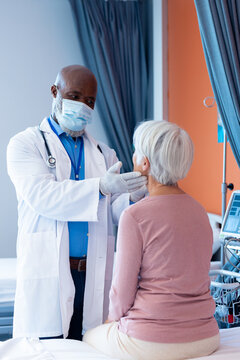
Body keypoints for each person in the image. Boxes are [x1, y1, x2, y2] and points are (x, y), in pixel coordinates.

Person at [6, 65, 147, 340]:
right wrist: (101, 187)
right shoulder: (25, 144)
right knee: (51, 349)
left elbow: (113, 212)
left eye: (90, 101)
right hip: (50, 270)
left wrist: (133, 196)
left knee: (88, 345)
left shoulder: (104, 153)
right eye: (75, 96)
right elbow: (44, 197)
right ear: (54, 92)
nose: (82, 105)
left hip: (91, 271)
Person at [83, 120, 220, 360]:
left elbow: (121, 294)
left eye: (136, 152)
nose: (133, 157)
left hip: (149, 340)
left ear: (144, 163)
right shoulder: (200, 212)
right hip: (206, 337)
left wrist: (110, 322)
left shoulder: (134, 215)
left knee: (88, 337)